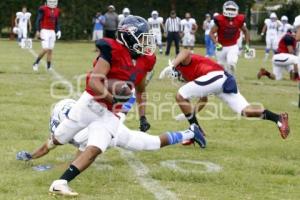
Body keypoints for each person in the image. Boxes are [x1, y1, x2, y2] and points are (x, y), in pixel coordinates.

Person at [43, 16, 200, 197]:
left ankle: (189, 133)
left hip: (113, 110)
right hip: (106, 109)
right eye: (142, 38)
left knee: (138, 142)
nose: (146, 42)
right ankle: (189, 133)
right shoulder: (111, 54)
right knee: (144, 142)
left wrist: (141, 116)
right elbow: (97, 84)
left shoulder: (143, 59)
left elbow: (139, 90)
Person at [16, 98, 205, 163]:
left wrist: (56, 168)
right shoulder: (69, 125)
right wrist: (31, 156)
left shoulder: (81, 129)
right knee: (151, 141)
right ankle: (190, 132)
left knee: (153, 143)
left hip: (112, 133)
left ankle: (190, 132)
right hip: (103, 129)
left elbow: (79, 159)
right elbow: (48, 145)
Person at [159, 49, 290, 142]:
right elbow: (203, 99)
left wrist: (172, 65)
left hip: (217, 76)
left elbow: (185, 51)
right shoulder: (192, 77)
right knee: (246, 111)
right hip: (223, 81)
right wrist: (190, 113)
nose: (178, 78)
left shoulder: (183, 62)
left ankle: (195, 130)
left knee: (180, 95)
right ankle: (278, 118)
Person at [210, 1, 250, 75]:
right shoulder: (220, 19)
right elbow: (211, 33)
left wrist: (247, 44)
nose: (230, 11)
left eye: (232, 9)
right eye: (228, 9)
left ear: (236, 10)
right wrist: (216, 43)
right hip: (221, 46)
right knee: (221, 67)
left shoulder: (239, 19)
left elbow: (246, 31)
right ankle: (225, 79)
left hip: (233, 46)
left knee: (231, 62)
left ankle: (231, 79)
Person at [32, 0, 61, 71]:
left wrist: (58, 30)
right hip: (44, 30)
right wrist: (38, 30)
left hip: (52, 31)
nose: (52, 3)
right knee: (45, 49)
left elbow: (57, 22)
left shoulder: (57, 10)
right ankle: (36, 63)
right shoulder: (43, 9)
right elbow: (38, 20)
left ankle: (48, 66)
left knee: (50, 50)